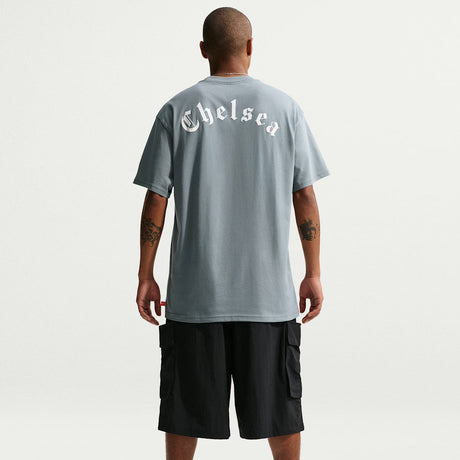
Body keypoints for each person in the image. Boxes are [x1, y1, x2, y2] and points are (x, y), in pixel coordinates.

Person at [133, 6, 330, 460]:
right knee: (281, 413)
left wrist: (145, 275)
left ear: (203, 50)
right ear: (251, 46)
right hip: (268, 297)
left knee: (183, 412)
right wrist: (313, 272)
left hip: (195, 298)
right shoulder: (285, 108)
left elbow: (156, 199)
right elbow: (304, 195)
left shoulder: (176, 109)